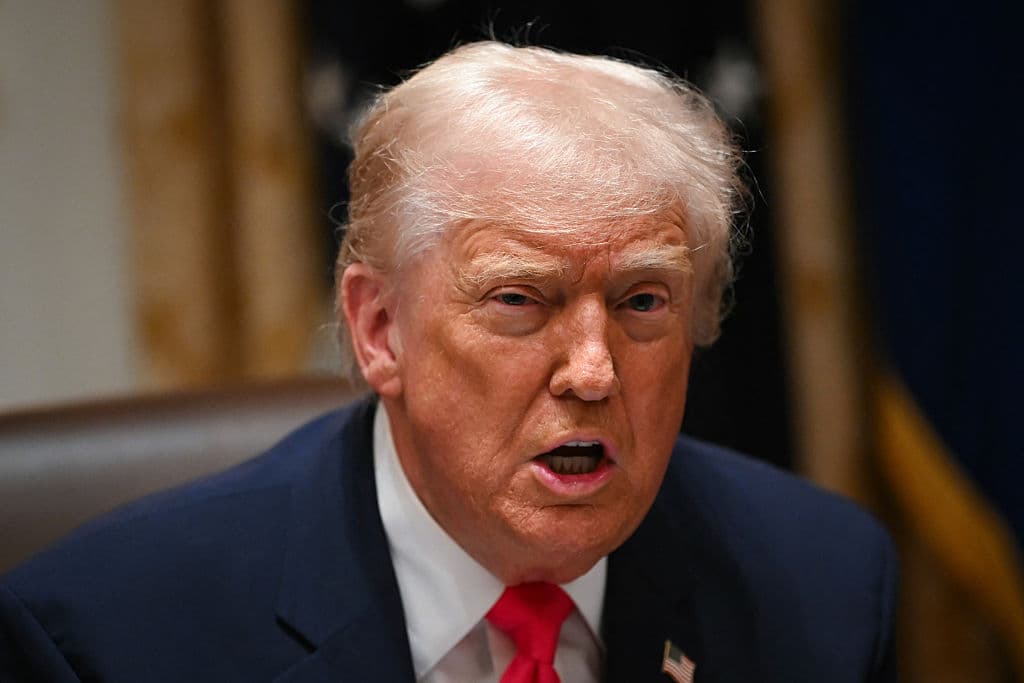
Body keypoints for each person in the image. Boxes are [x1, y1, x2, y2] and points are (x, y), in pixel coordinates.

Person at [0, 42, 897, 682]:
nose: (594, 370)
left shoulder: (822, 583)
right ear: (380, 328)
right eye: (518, 299)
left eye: (642, 302)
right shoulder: (106, 640)